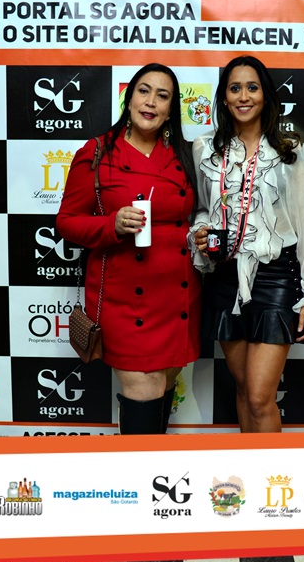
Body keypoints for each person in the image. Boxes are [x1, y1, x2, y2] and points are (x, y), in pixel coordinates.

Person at [57, 63, 201, 435]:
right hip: (125, 301)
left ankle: (150, 466)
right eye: (143, 91)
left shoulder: (185, 155)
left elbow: (198, 214)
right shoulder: (97, 152)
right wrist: (112, 225)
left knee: (164, 384)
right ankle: (139, 469)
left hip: (177, 298)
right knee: (145, 387)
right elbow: (67, 222)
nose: (151, 102)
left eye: (162, 96)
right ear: (129, 97)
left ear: (171, 109)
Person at [190, 55, 304, 433]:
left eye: (252, 87)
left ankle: (271, 468)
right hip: (223, 276)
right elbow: (202, 208)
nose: (243, 96)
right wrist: (200, 231)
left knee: (258, 396)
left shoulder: (289, 150)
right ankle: (249, 466)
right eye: (234, 88)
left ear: (265, 95)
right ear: (223, 98)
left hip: (276, 278)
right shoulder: (205, 148)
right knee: (242, 389)